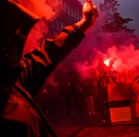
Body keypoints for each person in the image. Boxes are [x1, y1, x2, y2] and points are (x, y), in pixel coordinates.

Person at [0, 0, 98, 136]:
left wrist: (84, 23)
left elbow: (49, 51)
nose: (16, 44)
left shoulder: (13, 83)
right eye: (9, 37)